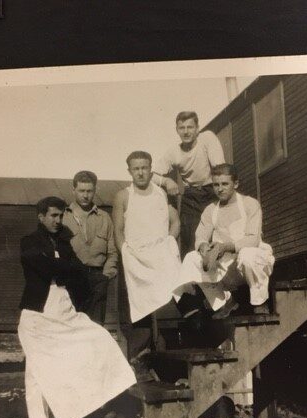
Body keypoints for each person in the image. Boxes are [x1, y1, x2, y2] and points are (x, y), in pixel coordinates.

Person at [17, 196, 136, 418]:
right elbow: (46, 267)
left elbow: (77, 270)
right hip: (38, 315)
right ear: (41, 217)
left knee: (99, 338)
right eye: (53, 216)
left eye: (60, 216)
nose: (58, 221)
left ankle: (104, 403)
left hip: (64, 309)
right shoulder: (29, 241)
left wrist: (66, 266)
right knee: (36, 376)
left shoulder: (64, 241)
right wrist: (66, 266)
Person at [113, 151, 202, 357]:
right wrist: (125, 253)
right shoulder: (123, 196)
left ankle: (196, 327)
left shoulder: (160, 193)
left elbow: (176, 221)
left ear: (151, 169)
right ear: (129, 171)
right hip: (136, 257)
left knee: (179, 287)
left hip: (160, 253)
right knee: (138, 305)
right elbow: (118, 229)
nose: (141, 173)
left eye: (144, 168)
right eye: (136, 169)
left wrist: (170, 241)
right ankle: (139, 357)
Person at [175, 163, 275, 319]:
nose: (220, 189)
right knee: (192, 258)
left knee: (249, 255)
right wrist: (204, 248)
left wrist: (225, 247)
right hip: (226, 266)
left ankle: (259, 303)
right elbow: (200, 236)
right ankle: (224, 302)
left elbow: (253, 239)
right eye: (216, 184)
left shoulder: (250, 204)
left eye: (224, 184)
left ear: (235, 184)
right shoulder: (211, 210)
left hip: (250, 264)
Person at [151, 111, 225, 255]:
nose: (186, 132)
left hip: (212, 190)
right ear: (177, 130)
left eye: (190, 127)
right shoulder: (174, 151)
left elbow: (219, 168)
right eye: (182, 128)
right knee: (190, 239)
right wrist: (166, 181)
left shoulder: (208, 138)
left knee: (218, 232)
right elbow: (152, 175)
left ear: (197, 129)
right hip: (191, 196)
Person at [62, 170, 118, 325]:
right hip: (71, 278)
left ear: (95, 191)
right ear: (73, 190)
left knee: (95, 327)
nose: (85, 195)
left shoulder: (104, 218)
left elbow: (112, 251)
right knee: (71, 325)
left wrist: (106, 275)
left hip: (97, 278)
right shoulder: (63, 217)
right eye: (81, 191)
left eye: (89, 191)